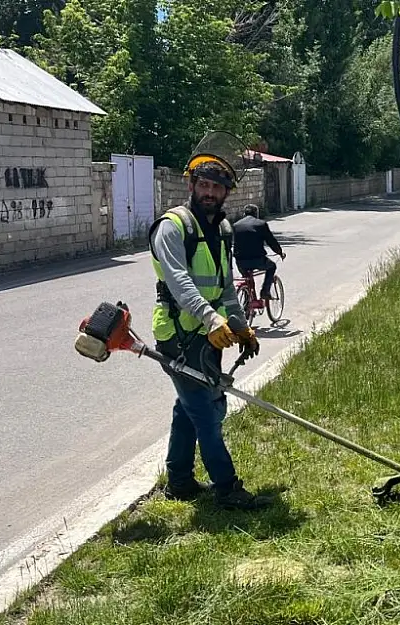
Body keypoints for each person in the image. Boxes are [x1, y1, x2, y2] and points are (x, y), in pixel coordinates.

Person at [147, 154, 272, 511]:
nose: (210, 192)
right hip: (178, 335)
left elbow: (225, 287)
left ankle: (180, 482)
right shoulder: (172, 226)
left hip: (209, 333)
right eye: (204, 184)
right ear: (191, 185)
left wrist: (239, 324)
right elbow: (179, 281)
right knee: (207, 409)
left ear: (226, 192)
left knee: (187, 409)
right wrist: (210, 318)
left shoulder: (222, 229)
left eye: (217, 187)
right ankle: (227, 487)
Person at [232, 204, 285, 299]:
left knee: (247, 278)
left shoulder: (236, 225)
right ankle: (265, 291)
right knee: (272, 267)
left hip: (240, 261)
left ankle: (247, 302)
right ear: (256, 214)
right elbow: (271, 241)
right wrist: (280, 252)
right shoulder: (261, 224)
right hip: (258, 260)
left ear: (244, 214)